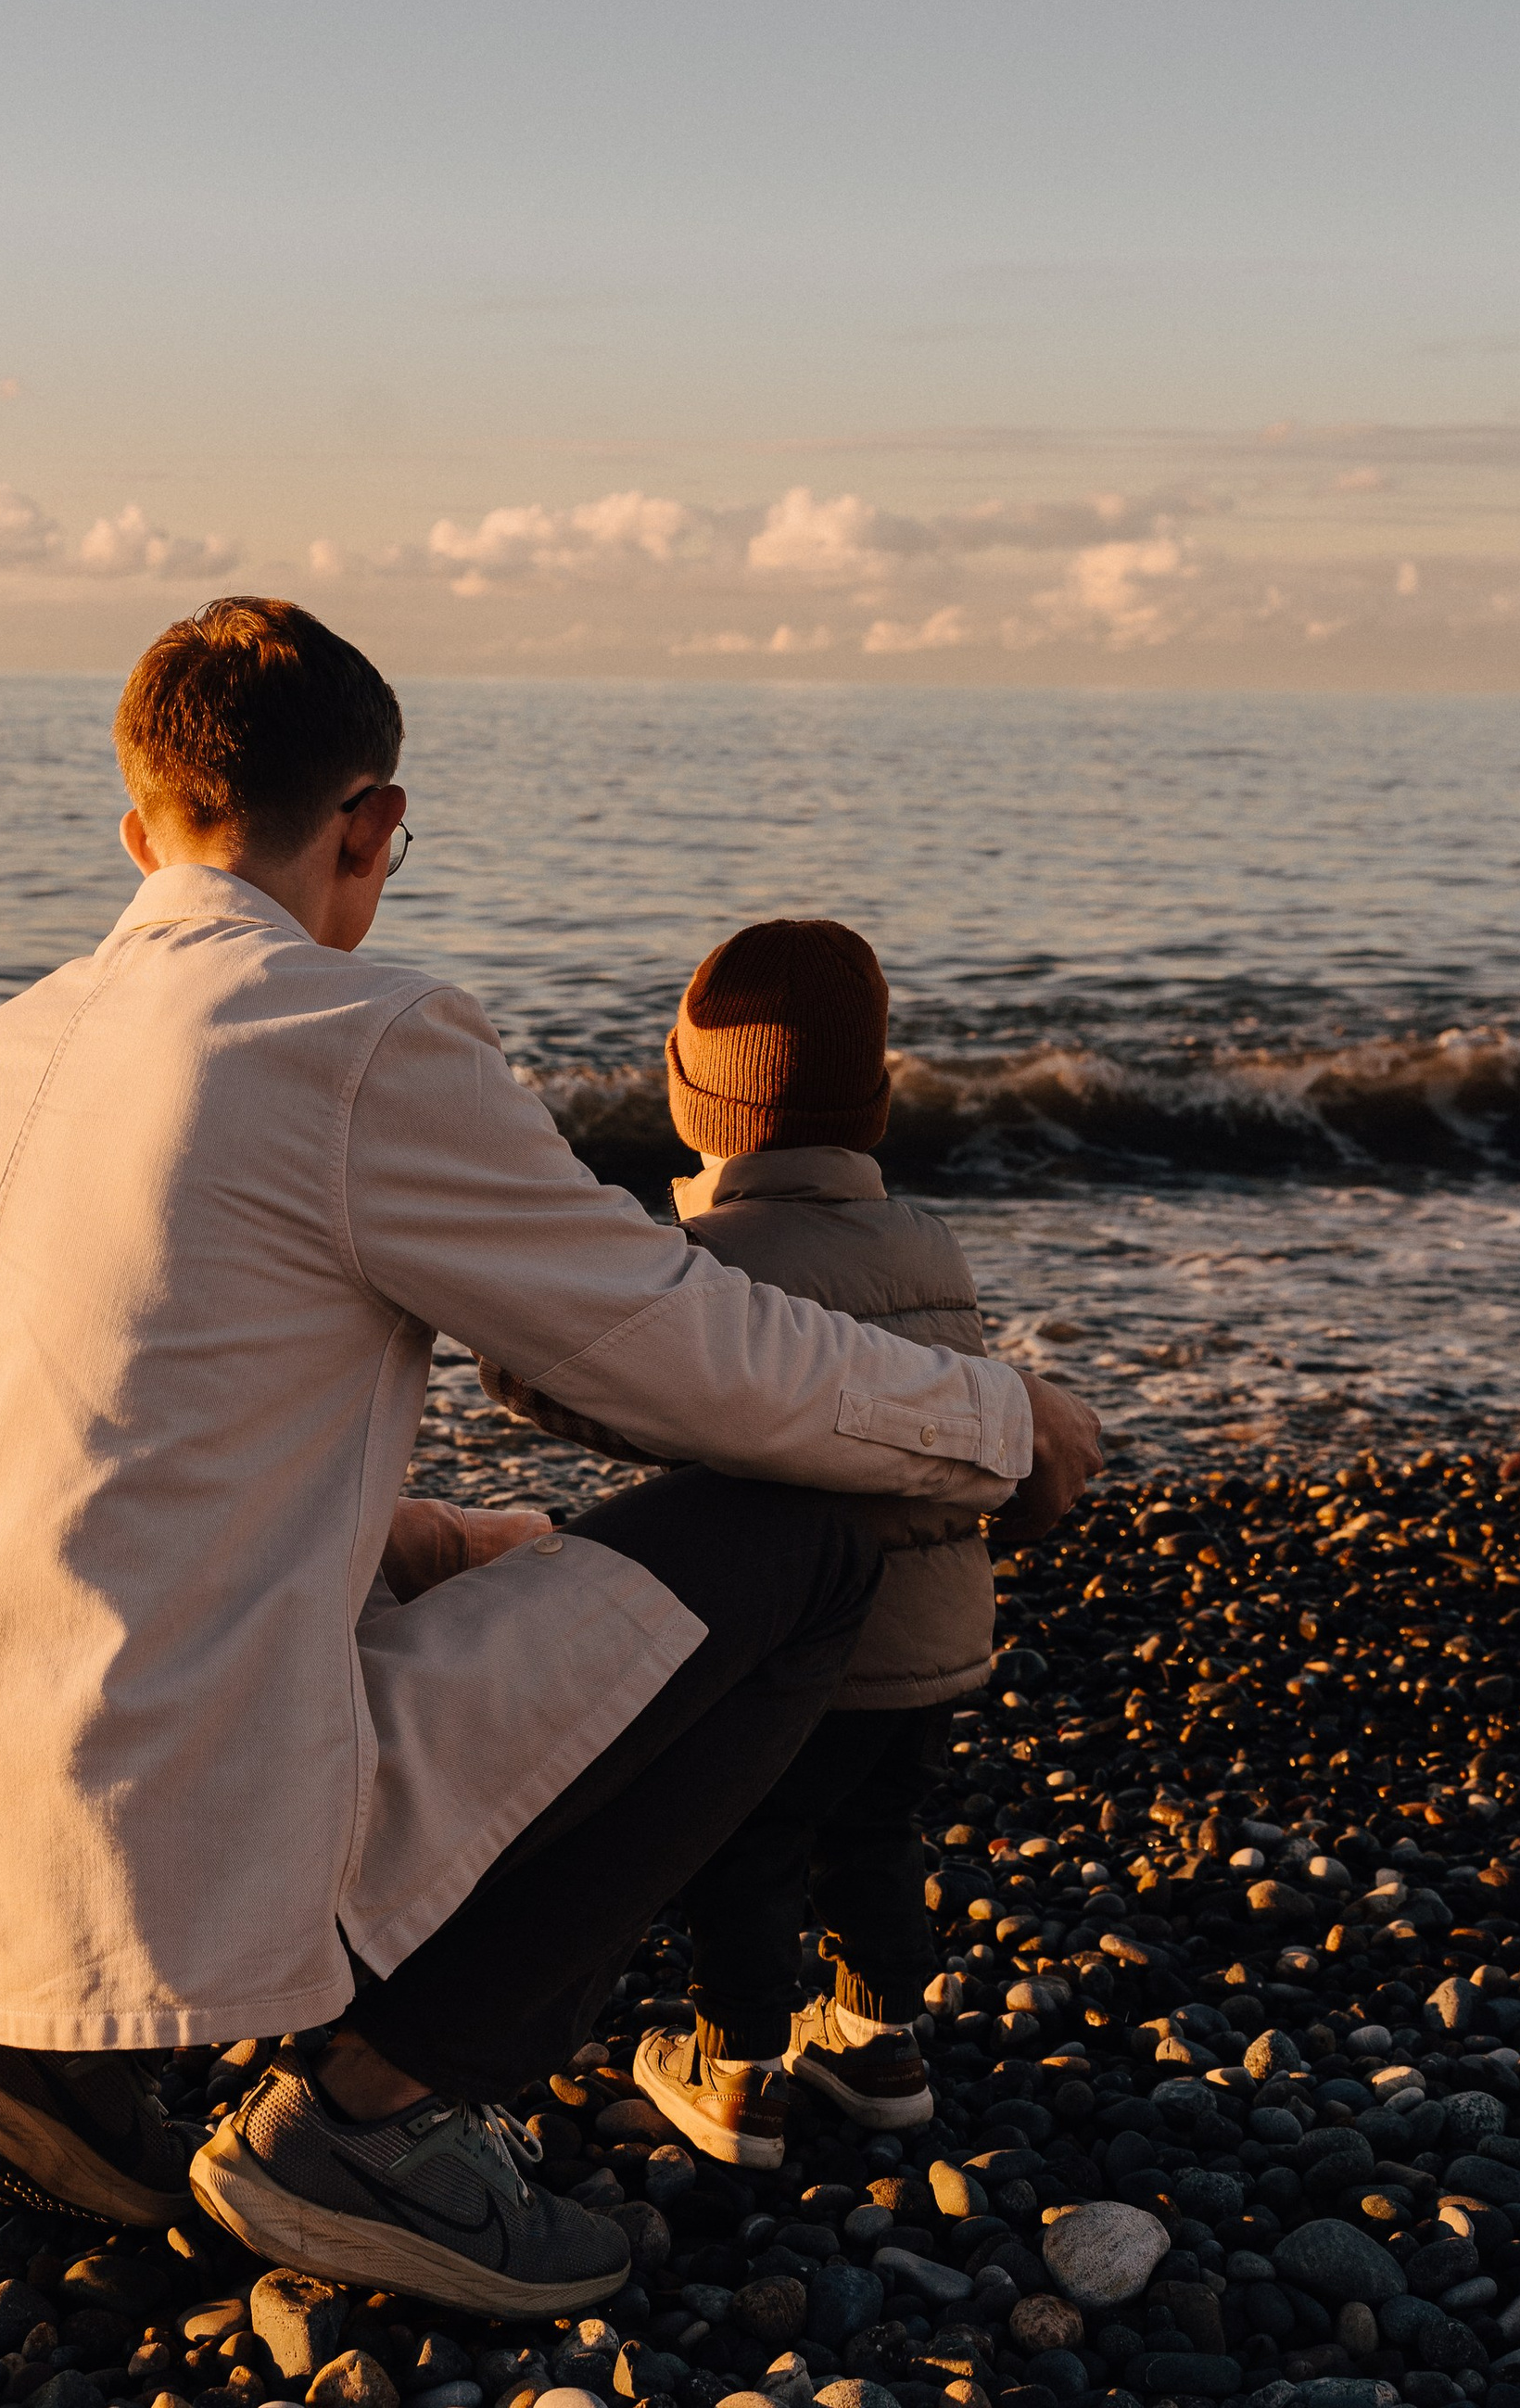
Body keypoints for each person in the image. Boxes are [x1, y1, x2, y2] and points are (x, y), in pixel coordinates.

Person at [0, 600, 1102, 2318]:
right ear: (371, 826)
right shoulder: (352, 1037)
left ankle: (43, 2053)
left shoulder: (11, 1046)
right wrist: (1004, 1424)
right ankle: (375, 2115)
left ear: (139, 832)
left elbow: (74, 1441)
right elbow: (681, 1352)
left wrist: (425, 1544)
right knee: (804, 1552)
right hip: (147, 1806)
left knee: (520, 1575)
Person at [483, 917, 1022, 2173]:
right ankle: (881, 2048)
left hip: (796, 1654)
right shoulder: (926, 1242)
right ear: (877, 1098)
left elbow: (585, 1388)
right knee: (877, 1837)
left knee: (749, 1842)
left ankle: (738, 2076)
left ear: (694, 1101)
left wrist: (500, 1342)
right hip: (938, 1641)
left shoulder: (714, 1262)